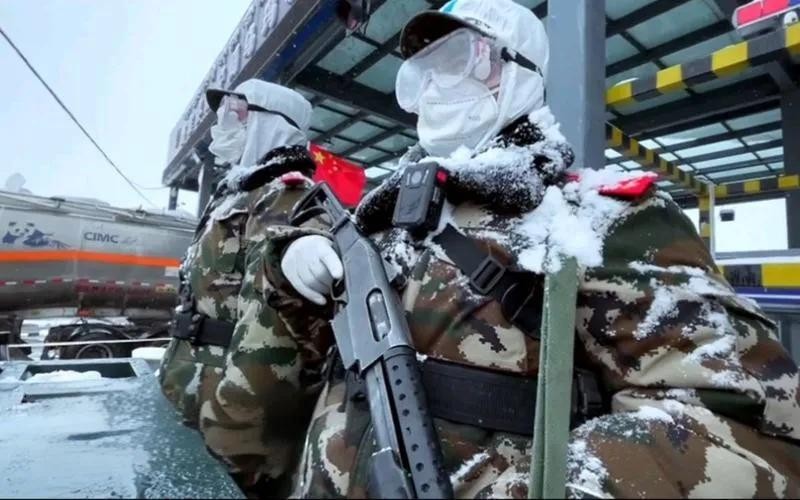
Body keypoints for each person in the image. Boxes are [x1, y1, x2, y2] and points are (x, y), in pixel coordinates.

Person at [263, 1, 800, 498]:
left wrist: (550, 488)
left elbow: (744, 421)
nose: (434, 87)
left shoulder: (596, 219)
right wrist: (290, 278)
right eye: (420, 74)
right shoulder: (384, 221)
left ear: (520, 69)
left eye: (459, 61)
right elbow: (311, 360)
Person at [158, 78, 328, 497]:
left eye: (237, 112)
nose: (224, 125)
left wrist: (235, 441)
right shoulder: (239, 195)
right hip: (197, 394)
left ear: (273, 123)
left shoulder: (286, 197)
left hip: (233, 430)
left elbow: (272, 338)